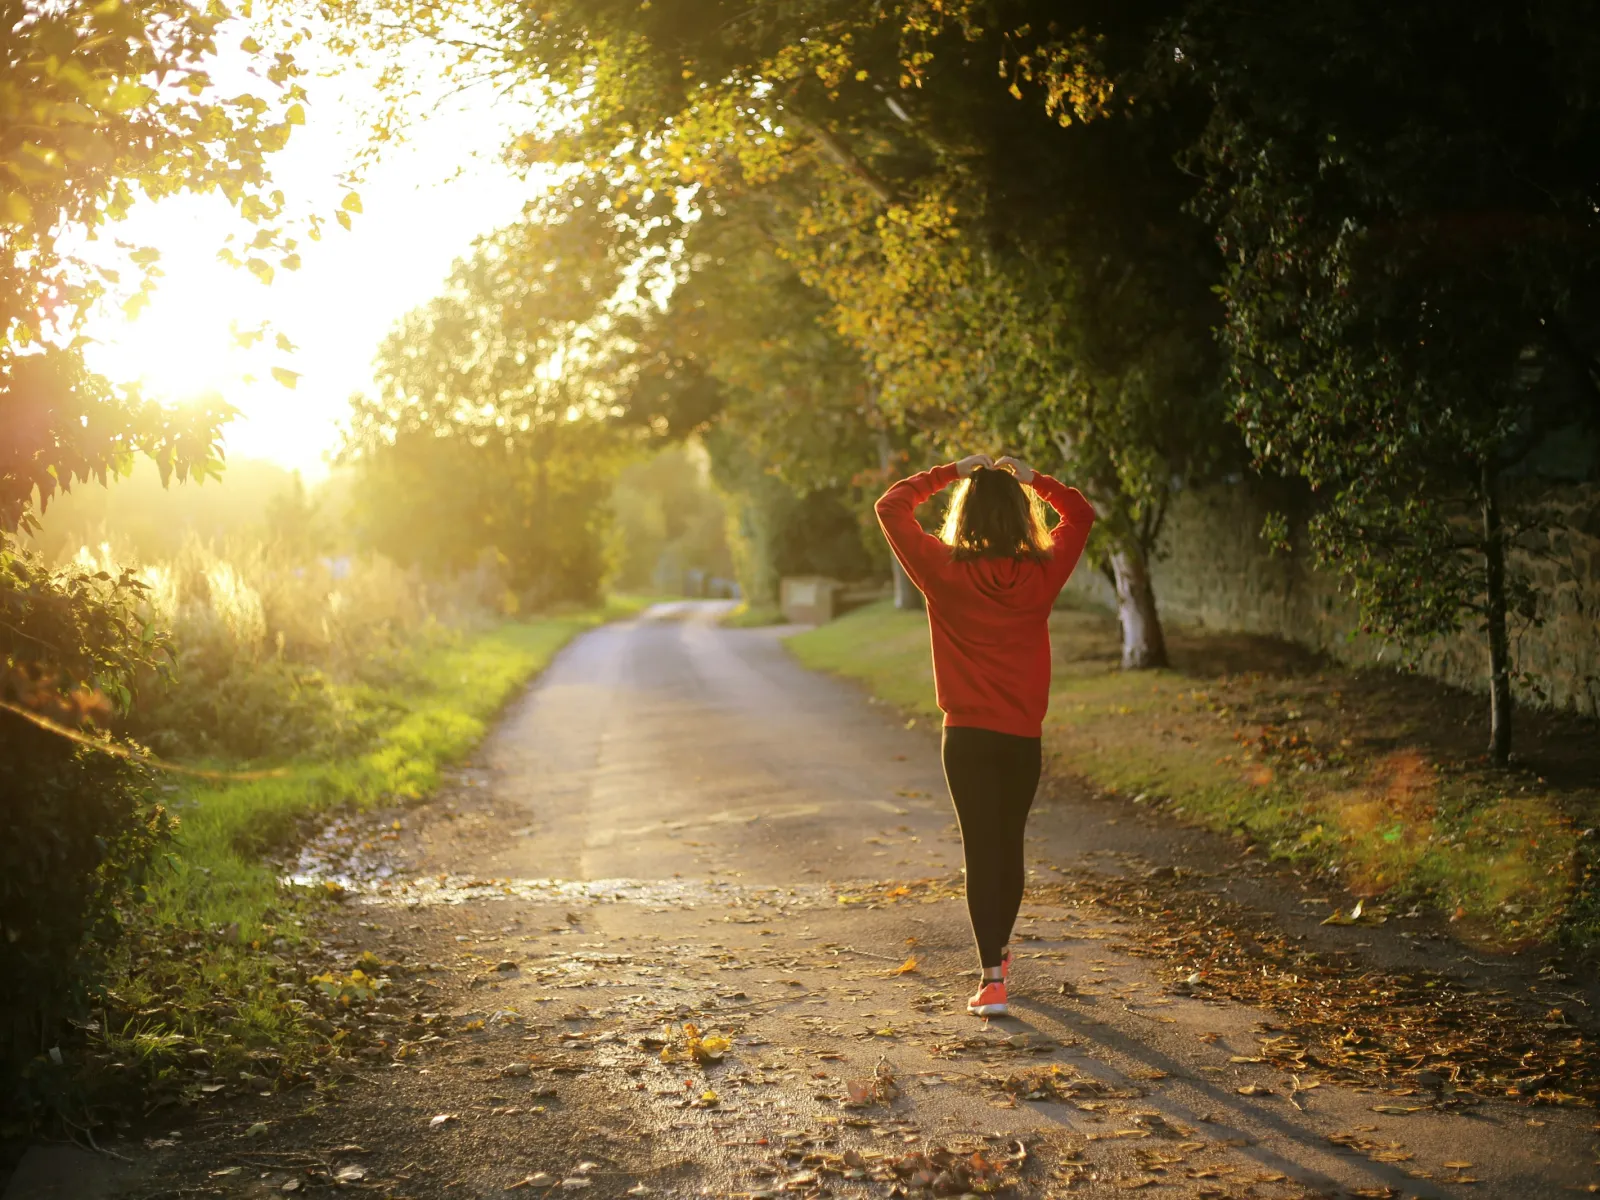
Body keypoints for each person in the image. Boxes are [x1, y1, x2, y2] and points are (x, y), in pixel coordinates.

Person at [875, 453, 1095, 1017]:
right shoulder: (1043, 572)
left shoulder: (942, 569)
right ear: (1022, 517)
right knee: (1009, 845)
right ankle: (997, 954)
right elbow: (1081, 513)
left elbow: (891, 506)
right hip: (1021, 736)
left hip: (966, 736)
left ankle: (992, 978)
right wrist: (1034, 480)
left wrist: (950, 471)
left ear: (964, 515)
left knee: (981, 849)